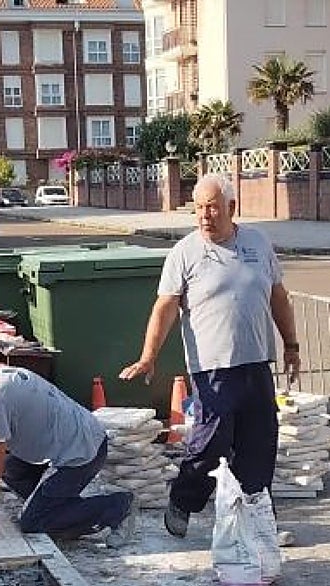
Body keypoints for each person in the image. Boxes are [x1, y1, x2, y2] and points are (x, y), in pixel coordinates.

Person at [120, 173, 300, 537]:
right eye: (199, 208)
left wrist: (291, 345)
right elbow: (165, 308)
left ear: (232, 208)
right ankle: (184, 500)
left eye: (212, 207)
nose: (205, 215)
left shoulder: (258, 243)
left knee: (259, 447)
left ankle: (259, 524)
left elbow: (278, 297)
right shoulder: (185, 252)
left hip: (256, 363)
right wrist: (148, 355)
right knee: (209, 445)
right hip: (212, 370)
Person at [0, 358, 137, 546]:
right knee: (11, 468)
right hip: (65, 443)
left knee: (33, 524)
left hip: (82, 451)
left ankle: (117, 506)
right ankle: (58, 506)